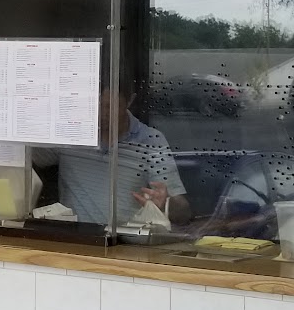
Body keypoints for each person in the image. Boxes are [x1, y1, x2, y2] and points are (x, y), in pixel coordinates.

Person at [47, 82, 191, 228]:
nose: (102, 113)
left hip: (126, 239)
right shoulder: (67, 133)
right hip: (72, 237)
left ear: (129, 101)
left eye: (110, 106)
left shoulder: (151, 140)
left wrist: (166, 204)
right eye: (95, 105)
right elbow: (33, 161)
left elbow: (183, 212)